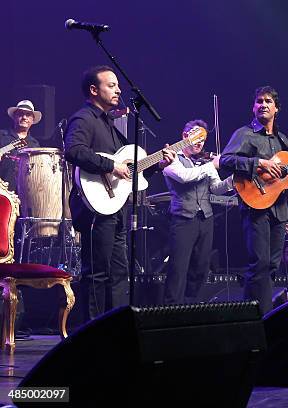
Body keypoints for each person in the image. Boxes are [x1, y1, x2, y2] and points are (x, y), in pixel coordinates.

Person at [65, 65, 175, 321]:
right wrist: (110, 165)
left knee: (118, 272)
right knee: (97, 272)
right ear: (94, 90)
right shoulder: (84, 119)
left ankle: (113, 328)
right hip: (94, 208)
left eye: (117, 85)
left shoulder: (111, 125)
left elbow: (131, 172)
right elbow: (73, 151)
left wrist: (158, 164)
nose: (118, 89)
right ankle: (89, 333)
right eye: (111, 85)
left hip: (116, 208)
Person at [220, 86, 288, 314]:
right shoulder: (245, 134)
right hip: (255, 206)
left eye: (268, 101)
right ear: (253, 107)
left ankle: (260, 314)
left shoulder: (283, 140)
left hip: (279, 210)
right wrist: (259, 163)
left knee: (272, 266)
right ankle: (256, 319)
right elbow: (225, 160)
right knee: (259, 265)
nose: (263, 105)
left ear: (277, 109)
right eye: (259, 101)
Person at [162, 119, 233, 304]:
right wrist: (212, 165)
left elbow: (216, 188)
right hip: (182, 219)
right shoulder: (171, 158)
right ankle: (171, 309)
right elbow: (185, 177)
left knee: (201, 267)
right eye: (196, 137)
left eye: (203, 139)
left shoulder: (203, 162)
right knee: (178, 268)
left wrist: (234, 180)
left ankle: (192, 306)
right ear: (185, 137)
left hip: (205, 218)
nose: (200, 142)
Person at [0, 100, 42, 190]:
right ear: (14, 117)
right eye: (20, 114)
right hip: (2, 193)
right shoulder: (1, 136)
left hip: (25, 193)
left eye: (28, 115)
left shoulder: (35, 145)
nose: (24, 117)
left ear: (32, 120)